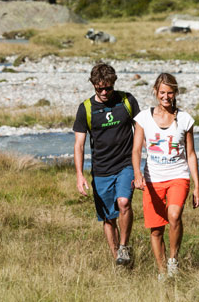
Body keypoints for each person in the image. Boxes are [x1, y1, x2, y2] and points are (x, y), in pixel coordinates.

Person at [132, 73, 199, 280]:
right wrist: (137, 173)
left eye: (170, 93)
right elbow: (136, 150)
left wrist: (197, 186)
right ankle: (162, 272)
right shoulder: (143, 118)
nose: (166, 96)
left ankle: (173, 261)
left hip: (178, 176)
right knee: (155, 230)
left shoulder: (185, 119)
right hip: (152, 180)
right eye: (162, 92)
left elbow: (190, 154)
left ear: (175, 93)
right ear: (156, 92)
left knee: (174, 216)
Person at [74, 63, 141, 266]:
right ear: (93, 85)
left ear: (114, 83)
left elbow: (141, 132)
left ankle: (124, 247)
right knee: (109, 219)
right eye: (99, 88)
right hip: (101, 170)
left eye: (108, 88)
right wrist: (79, 175)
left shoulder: (127, 101)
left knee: (124, 203)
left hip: (125, 165)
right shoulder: (85, 108)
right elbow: (79, 145)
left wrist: (146, 165)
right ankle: (118, 261)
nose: (104, 92)